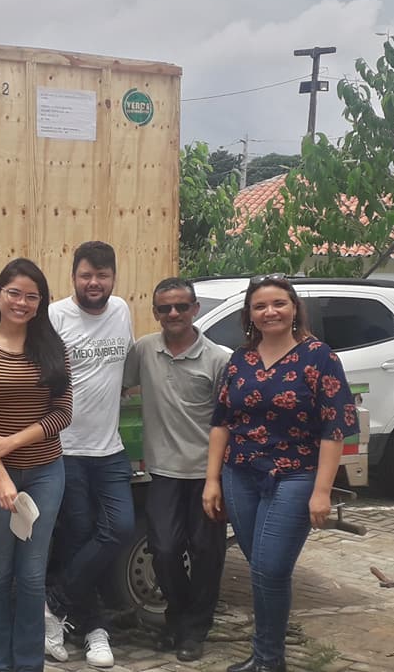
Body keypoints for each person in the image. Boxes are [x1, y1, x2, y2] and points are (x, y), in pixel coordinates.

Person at [203, 274, 358, 672]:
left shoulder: (319, 357)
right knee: (261, 571)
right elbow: (222, 421)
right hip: (240, 474)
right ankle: (265, 656)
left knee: (271, 567)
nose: (269, 312)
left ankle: (270, 658)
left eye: (278, 304)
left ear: (293, 309)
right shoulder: (241, 359)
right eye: (260, 306)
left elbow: (334, 428)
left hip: (295, 476)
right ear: (249, 315)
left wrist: (322, 491)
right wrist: (212, 479)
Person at [0, 258, 74, 672]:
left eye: (32, 296)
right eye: (14, 293)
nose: (22, 303)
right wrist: (2, 475)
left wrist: (12, 441)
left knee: (30, 576)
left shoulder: (52, 348)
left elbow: (62, 413)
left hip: (46, 472)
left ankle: (28, 664)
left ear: (41, 302)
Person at [122, 278, 230, 662]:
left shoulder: (218, 359)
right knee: (165, 550)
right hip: (163, 473)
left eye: (181, 307)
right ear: (155, 313)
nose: (173, 314)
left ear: (195, 310)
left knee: (205, 553)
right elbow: (112, 385)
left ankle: (193, 630)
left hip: (206, 474)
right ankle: (178, 617)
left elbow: (226, 423)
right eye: (165, 308)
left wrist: (216, 479)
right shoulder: (144, 350)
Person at [45, 241, 135, 668]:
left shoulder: (121, 310)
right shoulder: (55, 315)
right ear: (73, 277)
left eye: (102, 275)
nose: (94, 283)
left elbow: (121, 372)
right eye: (86, 275)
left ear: (113, 277)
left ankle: (54, 604)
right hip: (66, 449)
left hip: (110, 447)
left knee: (120, 529)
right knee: (78, 538)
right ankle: (96, 631)